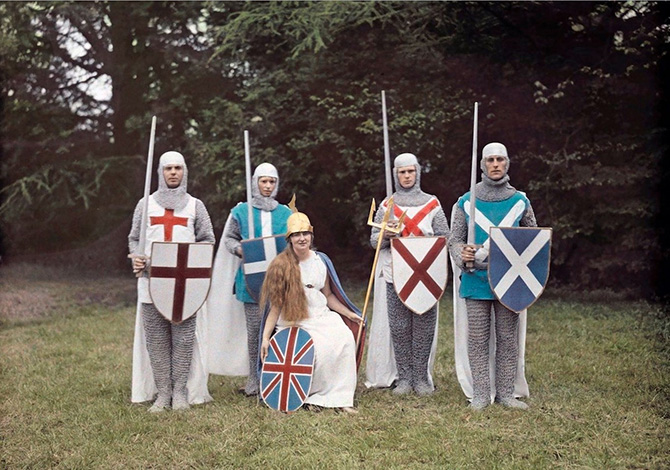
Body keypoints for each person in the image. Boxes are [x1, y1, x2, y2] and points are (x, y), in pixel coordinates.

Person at [449, 142, 537, 411]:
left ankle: (507, 394)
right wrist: (461, 253)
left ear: (507, 163)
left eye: (500, 159)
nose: (495, 164)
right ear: (482, 164)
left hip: (510, 282)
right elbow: (454, 240)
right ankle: (480, 394)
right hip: (476, 279)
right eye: (490, 160)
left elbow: (533, 239)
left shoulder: (520, 201)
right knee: (477, 339)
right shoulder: (466, 201)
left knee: (507, 339)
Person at [128, 151, 215, 412]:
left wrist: (193, 262)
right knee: (156, 340)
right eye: (168, 168)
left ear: (185, 172)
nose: (173, 172)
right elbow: (134, 238)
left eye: (178, 168)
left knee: (183, 340)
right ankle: (163, 393)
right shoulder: (145, 205)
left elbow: (208, 239)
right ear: (160, 172)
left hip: (184, 286)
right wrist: (136, 256)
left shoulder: (195, 205)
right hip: (151, 281)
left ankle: (179, 392)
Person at [260, 211, 362, 413]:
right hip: (294, 320)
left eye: (305, 233)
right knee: (318, 348)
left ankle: (340, 398)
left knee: (344, 339)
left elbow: (329, 295)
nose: (302, 238)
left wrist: (349, 314)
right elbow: (276, 306)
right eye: (297, 234)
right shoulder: (281, 265)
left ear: (311, 236)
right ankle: (310, 396)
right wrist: (265, 337)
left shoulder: (320, 260)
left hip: (320, 315)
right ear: (290, 239)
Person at [366, 153, 450, 395]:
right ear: (396, 174)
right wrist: (386, 236)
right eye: (402, 172)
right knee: (400, 326)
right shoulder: (387, 205)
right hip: (397, 273)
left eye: (410, 171)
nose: (406, 176)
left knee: (424, 325)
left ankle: (421, 378)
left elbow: (444, 236)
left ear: (418, 173)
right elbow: (374, 241)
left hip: (426, 274)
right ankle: (404, 378)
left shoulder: (431, 204)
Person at [206, 163, 292, 396]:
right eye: (263, 181)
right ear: (255, 183)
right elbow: (230, 238)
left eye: (271, 182)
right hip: (250, 282)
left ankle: (275, 376)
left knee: (277, 329)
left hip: (279, 279)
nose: (267, 186)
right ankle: (255, 378)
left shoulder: (286, 213)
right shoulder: (241, 212)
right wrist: (240, 250)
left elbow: (293, 242)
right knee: (255, 331)